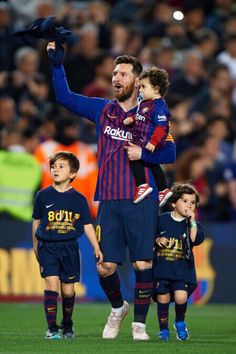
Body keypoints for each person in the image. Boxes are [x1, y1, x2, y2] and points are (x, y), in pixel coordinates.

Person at [47, 42, 176, 340]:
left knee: (144, 262)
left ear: (137, 80)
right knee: (105, 266)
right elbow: (64, 97)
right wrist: (56, 65)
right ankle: (118, 307)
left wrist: (142, 153)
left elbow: (170, 154)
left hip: (141, 198)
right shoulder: (102, 109)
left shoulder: (154, 113)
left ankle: (139, 325)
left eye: (123, 74)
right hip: (109, 198)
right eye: (114, 74)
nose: (116, 78)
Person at [32, 151, 103, 339]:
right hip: (48, 247)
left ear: (72, 174)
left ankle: (68, 323)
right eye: (53, 167)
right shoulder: (42, 196)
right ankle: (52, 328)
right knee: (52, 285)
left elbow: (87, 225)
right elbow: (36, 223)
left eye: (61, 166)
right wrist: (35, 246)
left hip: (69, 247)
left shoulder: (79, 199)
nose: (55, 169)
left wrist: (96, 247)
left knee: (68, 290)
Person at [153, 183, 205, 341]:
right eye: (185, 201)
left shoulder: (193, 225)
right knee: (163, 298)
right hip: (163, 268)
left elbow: (194, 239)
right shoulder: (161, 220)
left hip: (182, 270)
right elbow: (151, 235)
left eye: (193, 202)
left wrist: (193, 221)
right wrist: (157, 238)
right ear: (173, 203)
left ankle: (180, 321)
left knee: (181, 297)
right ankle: (163, 329)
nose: (189, 205)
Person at [123, 66, 173, 205]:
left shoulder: (160, 107)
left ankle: (142, 185)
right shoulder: (147, 103)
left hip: (149, 141)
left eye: (143, 87)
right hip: (144, 139)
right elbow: (141, 115)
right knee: (152, 164)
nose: (140, 90)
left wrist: (153, 142)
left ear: (156, 89)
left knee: (134, 158)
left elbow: (161, 127)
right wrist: (132, 119)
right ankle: (163, 190)